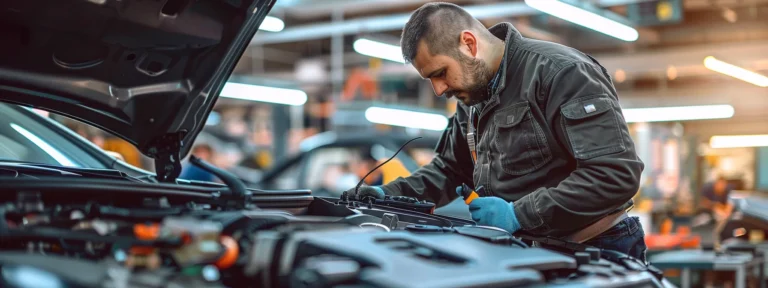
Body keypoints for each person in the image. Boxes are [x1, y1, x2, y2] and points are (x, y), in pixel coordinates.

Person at [344, 2, 647, 261]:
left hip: (597, 249)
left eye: (440, 73)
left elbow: (614, 175)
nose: (438, 90)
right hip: (528, 250)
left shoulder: (560, 73)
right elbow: (451, 169)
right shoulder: (472, 97)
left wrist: (518, 215)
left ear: (469, 44)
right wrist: (388, 195)